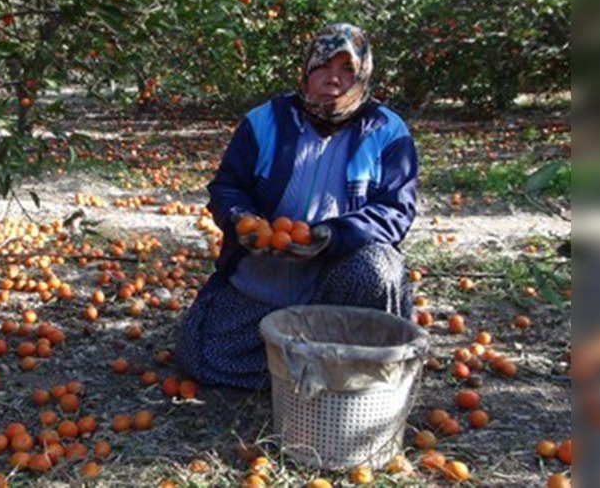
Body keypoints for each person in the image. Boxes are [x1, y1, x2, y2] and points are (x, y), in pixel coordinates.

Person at [174, 23, 418, 390]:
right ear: (305, 71)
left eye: (347, 70)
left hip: (336, 291)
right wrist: (242, 220)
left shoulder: (386, 131)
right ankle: (309, 374)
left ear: (363, 76)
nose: (333, 79)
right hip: (264, 283)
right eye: (322, 66)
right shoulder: (264, 122)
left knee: (378, 270)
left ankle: (352, 376)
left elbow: (395, 211)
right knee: (197, 356)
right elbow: (228, 186)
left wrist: (333, 236)